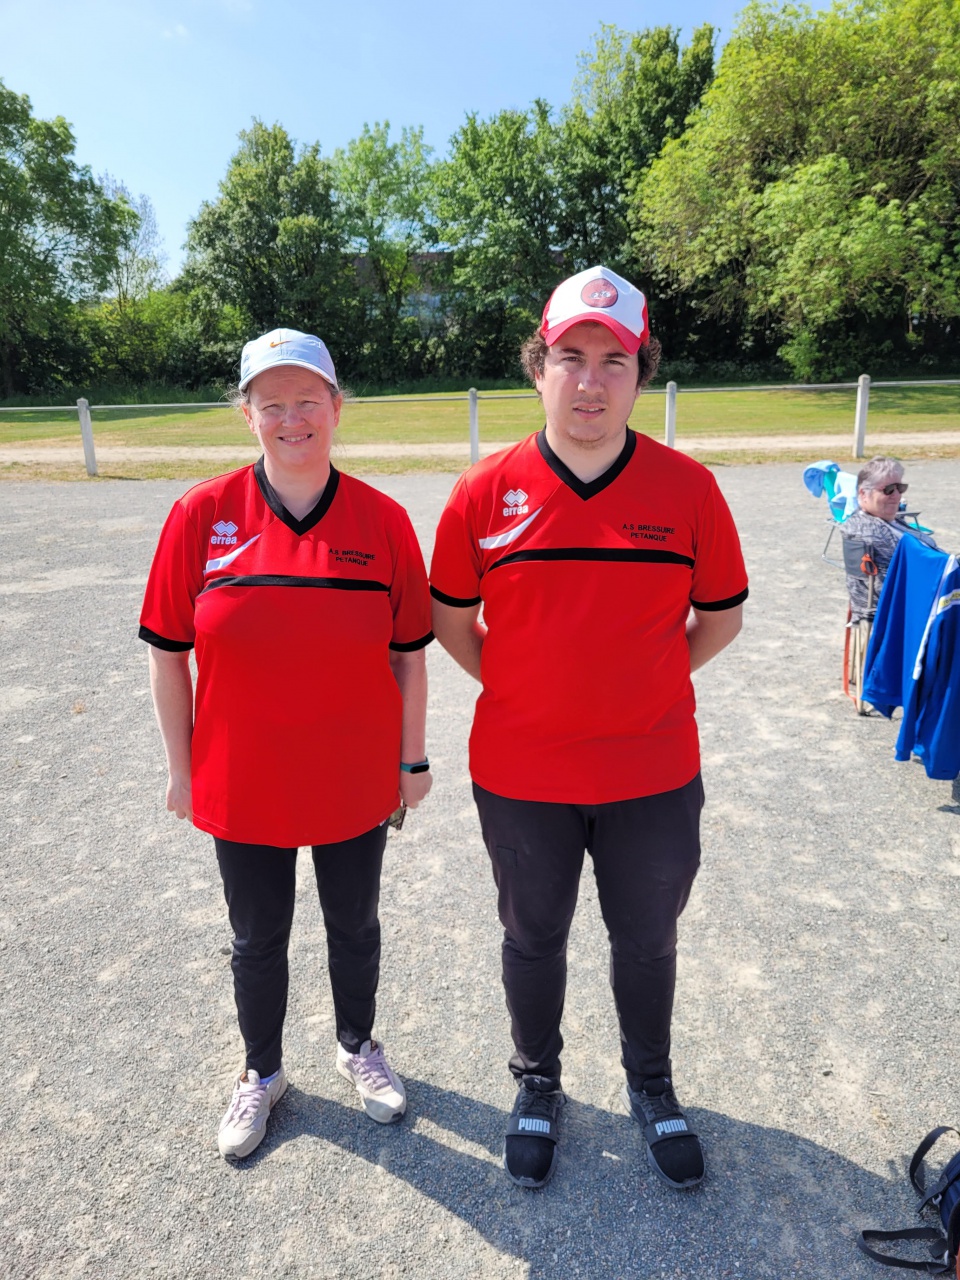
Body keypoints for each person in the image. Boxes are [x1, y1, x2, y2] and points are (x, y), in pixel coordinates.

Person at [430, 266, 748, 1190]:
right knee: (533, 937)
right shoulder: (485, 491)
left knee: (647, 940)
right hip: (522, 773)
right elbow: (451, 618)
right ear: (539, 367)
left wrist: (645, 684)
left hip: (653, 771)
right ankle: (537, 1083)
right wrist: (524, 687)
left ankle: (652, 1085)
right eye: (571, 356)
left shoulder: (688, 489)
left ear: (642, 374)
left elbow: (720, 617)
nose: (591, 381)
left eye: (616, 360)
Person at [139, 328, 433, 1159]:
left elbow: (409, 659)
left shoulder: (383, 520)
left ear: (337, 407)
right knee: (257, 937)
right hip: (244, 780)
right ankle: (261, 1072)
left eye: (308, 400)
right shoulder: (202, 514)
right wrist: (180, 770)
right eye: (272, 404)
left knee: (355, 924)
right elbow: (167, 654)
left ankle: (357, 1045)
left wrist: (412, 760)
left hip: (353, 776)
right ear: (247, 415)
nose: (291, 418)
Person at [839, 456, 937, 622]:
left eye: (900, 488)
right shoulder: (867, 530)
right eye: (888, 489)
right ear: (863, 493)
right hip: (900, 618)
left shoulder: (888, 520)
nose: (897, 495)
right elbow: (891, 586)